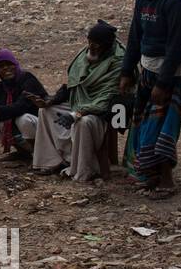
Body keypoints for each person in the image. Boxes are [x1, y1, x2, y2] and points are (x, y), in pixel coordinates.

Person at [120, 0, 181, 196]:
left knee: (162, 126)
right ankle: (150, 175)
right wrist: (126, 71)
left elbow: (176, 46)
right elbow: (134, 37)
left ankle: (166, 180)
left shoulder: (177, 2)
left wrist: (163, 84)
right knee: (142, 123)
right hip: (147, 68)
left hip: (172, 73)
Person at [28, 21, 124, 180]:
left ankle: (81, 170)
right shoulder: (84, 55)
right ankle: (50, 162)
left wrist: (76, 114)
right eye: (90, 43)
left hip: (102, 112)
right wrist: (50, 101)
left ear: (106, 46)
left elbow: (107, 99)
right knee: (45, 112)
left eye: (96, 45)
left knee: (83, 122)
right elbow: (73, 85)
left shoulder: (118, 63)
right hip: (79, 102)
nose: (92, 47)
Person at [0, 49, 45, 158]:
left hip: (40, 124)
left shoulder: (27, 79)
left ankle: (39, 155)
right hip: (18, 125)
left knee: (24, 119)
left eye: (9, 64)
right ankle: (23, 152)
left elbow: (21, 106)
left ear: (15, 65)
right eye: (1, 67)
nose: (5, 68)